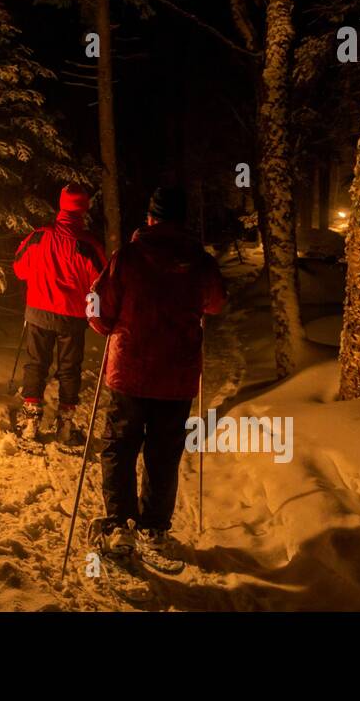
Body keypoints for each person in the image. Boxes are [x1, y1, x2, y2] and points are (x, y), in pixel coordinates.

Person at [88, 186, 227, 571]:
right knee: (163, 455)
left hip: (129, 372)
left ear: (150, 217)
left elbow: (99, 306)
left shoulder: (128, 257)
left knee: (119, 446)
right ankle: (153, 529)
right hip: (177, 377)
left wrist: (105, 326)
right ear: (182, 220)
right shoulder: (199, 261)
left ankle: (119, 524)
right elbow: (216, 302)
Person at [12, 183, 106, 447]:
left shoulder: (40, 236)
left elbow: (19, 268)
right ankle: (65, 426)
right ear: (84, 209)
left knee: (36, 364)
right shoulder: (88, 245)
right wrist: (96, 313)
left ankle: (31, 423)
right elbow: (102, 283)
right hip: (72, 317)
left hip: (39, 311)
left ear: (61, 204)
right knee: (69, 369)